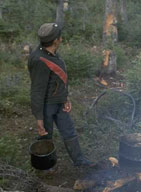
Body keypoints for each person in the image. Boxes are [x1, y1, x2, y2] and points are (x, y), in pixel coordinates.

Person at [28, 23, 95, 167]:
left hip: (59, 102)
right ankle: (44, 168)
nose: (61, 38)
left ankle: (79, 161)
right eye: (60, 36)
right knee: (45, 137)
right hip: (46, 106)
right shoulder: (39, 60)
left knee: (69, 132)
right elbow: (37, 91)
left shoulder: (53, 53)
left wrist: (65, 98)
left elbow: (58, 79)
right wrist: (39, 118)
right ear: (56, 40)